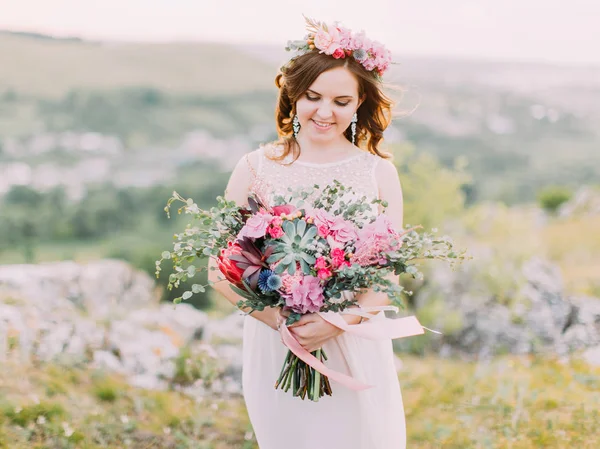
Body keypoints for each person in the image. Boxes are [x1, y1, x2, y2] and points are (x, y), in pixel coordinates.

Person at [208, 17, 408, 449]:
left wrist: (336, 323)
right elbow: (218, 270)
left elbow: (387, 278)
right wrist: (281, 322)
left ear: (359, 105)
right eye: (313, 97)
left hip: (354, 345)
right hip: (276, 344)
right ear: (293, 96)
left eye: (340, 100)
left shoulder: (378, 172)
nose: (324, 112)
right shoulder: (254, 167)